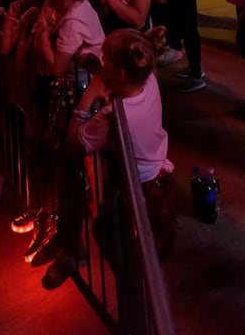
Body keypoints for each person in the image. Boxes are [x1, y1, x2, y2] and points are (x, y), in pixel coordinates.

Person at [61, 26, 176, 287]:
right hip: (160, 183)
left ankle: (135, 304)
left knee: (118, 245)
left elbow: (73, 142)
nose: (101, 65)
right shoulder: (148, 80)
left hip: (134, 195)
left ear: (120, 73)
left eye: (105, 60)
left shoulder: (111, 117)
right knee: (150, 254)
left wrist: (89, 95)